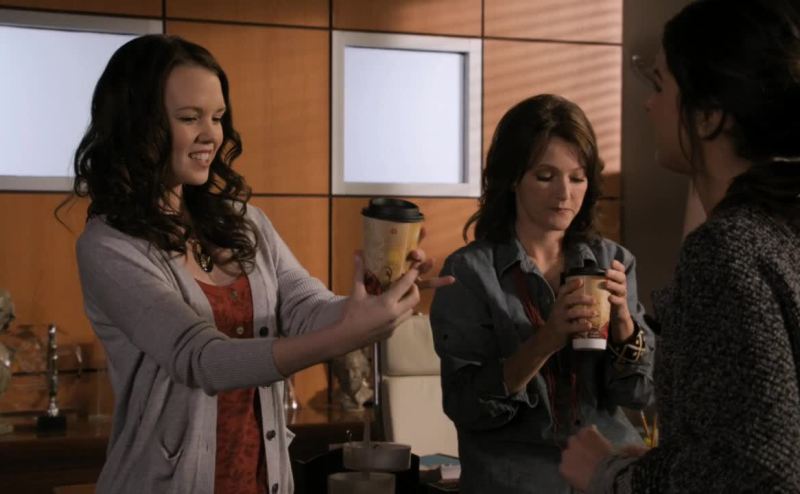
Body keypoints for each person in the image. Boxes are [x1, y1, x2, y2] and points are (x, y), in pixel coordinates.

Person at [69, 34, 451, 494]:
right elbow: (202, 360)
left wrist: (375, 296)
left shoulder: (245, 222)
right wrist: (343, 336)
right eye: (189, 118)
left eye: (217, 117)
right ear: (137, 126)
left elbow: (306, 309)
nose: (211, 135)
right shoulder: (109, 246)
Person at [560, 0, 800, 491]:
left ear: (708, 116)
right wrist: (661, 464)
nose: (648, 105)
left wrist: (610, 474)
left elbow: (759, 471)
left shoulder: (725, 250)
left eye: (659, 85)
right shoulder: (778, 229)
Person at [429, 94, 655, 494]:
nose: (564, 194)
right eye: (546, 176)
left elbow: (639, 394)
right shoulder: (470, 273)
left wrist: (623, 325)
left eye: (577, 178)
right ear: (513, 178)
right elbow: (466, 406)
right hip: (517, 481)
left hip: (607, 476)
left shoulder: (614, 260)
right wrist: (546, 339)